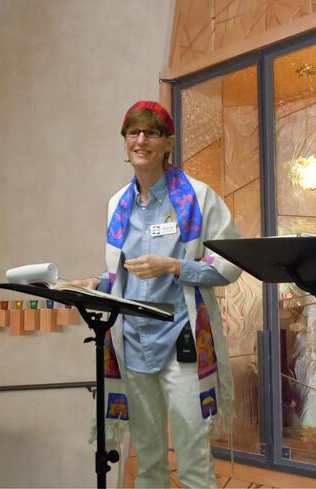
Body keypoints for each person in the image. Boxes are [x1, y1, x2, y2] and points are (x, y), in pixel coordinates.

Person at [77, 100, 242, 488]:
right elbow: (121, 275)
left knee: (193, 460)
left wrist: (175, 267)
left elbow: (230, 266)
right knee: (147, 461)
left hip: (181, 342)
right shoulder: (117, 204)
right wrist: (95, 284)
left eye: (151, 133)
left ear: (167, 142)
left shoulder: (198, 197)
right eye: (133, 133)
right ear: (124, 142)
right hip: (133, 342)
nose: (141, 140)